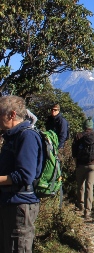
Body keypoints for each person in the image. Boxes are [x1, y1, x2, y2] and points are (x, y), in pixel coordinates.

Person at [0, 95, 43, 253]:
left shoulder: (27, 136)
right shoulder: (12, 136)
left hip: (20, 205)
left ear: (11, 114)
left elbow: (25, 175)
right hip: (10, 202)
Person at [71, 117, 94, 221]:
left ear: (84, 126)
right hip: (93, 165)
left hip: (81, 164)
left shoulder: (78, 136)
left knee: (80, 186)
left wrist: (76, 163)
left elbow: (74, 151)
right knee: (90, 187)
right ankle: (87, 211)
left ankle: (80, 205)